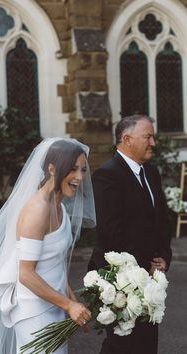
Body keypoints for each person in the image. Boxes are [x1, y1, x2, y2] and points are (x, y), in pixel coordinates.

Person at [0, 137, 96, 354]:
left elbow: (55, 264)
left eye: (83, 170)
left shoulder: (60, 209)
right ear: (52, 168)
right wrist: (69, 306)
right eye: (73, 169)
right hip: (34, 312)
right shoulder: (37, 210)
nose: (79, 177)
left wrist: (74, 303)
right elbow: (26, 274)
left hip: (54, 305)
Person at [88, 114, 172, 354]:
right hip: (120, 281)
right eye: (148, 137)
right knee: (121, 345)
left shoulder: (152, 172)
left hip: (151, 279)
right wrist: (145, 264)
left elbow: (162, 221)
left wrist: (164, 257)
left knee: (147, 344)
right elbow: (111, 231)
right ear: (127, 139)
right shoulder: (108, 174)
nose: (153, 143)